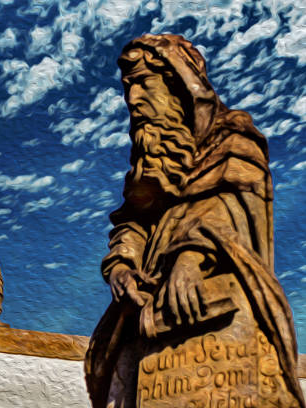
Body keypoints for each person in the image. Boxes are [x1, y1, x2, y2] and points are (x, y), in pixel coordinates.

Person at [85, 34, 304, 407]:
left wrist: (191, 255)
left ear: (178, 82)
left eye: (142, 83)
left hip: (219, 293)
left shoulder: (235, 138)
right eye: (127, 89)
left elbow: (238, 206)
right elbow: (133, 221)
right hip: (147, 307)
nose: (133, 100)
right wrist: (122, 266)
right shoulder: (153, 156)